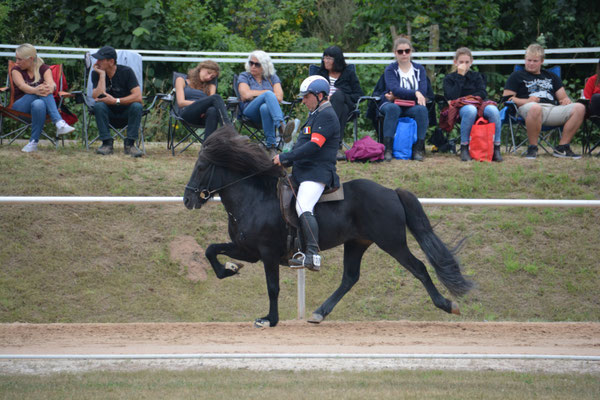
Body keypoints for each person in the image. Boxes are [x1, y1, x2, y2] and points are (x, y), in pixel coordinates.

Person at [273, 76, 340, 271]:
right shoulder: (316, 113)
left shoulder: (326, 115)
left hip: (317, 173)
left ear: (319, 95)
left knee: (303, 206)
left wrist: (286, 158)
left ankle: (312, 255)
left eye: (306, 97)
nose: (303, 101)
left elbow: (314, 145)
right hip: (304, 171)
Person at [502, 43, 585, 159]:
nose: (531, 64)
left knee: (580, 108)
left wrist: (565, 100)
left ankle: (562, 148)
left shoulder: (551, 76)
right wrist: (528, 101)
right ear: (525, 59)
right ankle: (532, 148)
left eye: (535, 61)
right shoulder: (516, 76)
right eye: (528, 60)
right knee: (535, 108)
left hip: (551, 110)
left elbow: (562, 98)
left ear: (542, 61)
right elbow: (507, 99)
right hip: (528, 108)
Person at [10, 43, 75, 153]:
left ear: (30, 59)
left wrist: (50, 87)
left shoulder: (44, 68)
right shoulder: (16, 70)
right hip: (20, 108)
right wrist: (37, 90)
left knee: (39, 103)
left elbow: (52, 84)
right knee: (43, 91)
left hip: (39, 110)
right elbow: (22, 86)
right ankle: (58, 121)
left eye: (20, 59)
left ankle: (33, 143)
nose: (16, 62)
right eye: (16, 59)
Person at [443, 47, 503, 162]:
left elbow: (482, 92)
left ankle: (496, 147)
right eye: (461, 62)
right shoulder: (449, 78)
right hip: (461, 108)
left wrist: (469, 97)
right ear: (455, 62)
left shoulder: (476, 76)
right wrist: (460, 77)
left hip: (478, 104)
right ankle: (465, 147)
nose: (464, 65)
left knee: (493, 110)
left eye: (466, 62)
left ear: (471, 62)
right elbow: (452, 96)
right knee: (470, 110)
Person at [379, 37, 429, 162]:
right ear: (395, 53)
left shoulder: (419, 69)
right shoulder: (390, 69)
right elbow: (394, 89)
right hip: (390, 102)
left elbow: (423, 91)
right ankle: (388, 149)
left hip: (411, 106)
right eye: (400, 51)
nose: (404, 54)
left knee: (422, 110)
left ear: (411, 51)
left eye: (407, 50)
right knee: (393, 108)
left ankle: (418, 149)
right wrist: (415, 93)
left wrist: (402, 95)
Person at [238, 50, 294, 157]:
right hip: (250, 112)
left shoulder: (272, 77)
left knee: (265, 108)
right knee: (268, 94)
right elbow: (245, 94)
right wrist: (266, 94)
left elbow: (279, 97)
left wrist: (255, 94)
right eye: (251, 63)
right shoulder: (244, 76)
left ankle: (272, 146)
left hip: (268, 115)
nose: (253, 66)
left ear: (264, 66)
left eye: (257, 64)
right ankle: (281, 127)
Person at [311, 45, 364, 159]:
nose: (325, 61)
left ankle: (328, 142)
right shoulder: (319, 74)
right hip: (322, 107)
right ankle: (335, 145)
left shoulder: (348, 73)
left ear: (337, 60)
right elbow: (311, 93)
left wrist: (339, 96)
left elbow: (358, 94)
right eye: (324, 57)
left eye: (329, 58)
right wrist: (326, 99)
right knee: (343, 109)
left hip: (344, 103)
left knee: (339, 97)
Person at [91, 46, 143, 157]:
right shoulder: (96, 73)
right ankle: (106, 144)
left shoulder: (126, 72)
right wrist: (102, 75)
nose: (97, 62)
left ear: (111, 61)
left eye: (101, 59)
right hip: (107, 113)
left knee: (137, 106)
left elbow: (138, 96)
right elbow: (96, 96)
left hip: (126, 113)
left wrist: (116, 101)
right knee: (99, 105)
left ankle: (130, 144)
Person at [174, 60, 231, 137]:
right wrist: (200, 104)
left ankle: (207, 147)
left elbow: (212, 103)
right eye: (208, 72)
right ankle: (230, 131)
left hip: (203, 117)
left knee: (213, 111)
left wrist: (204, 106)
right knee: (216, 98)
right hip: (187, 113)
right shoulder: (181, 80)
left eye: (212, 77)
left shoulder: (210, 85)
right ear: (201, 68)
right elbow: (181, 103)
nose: (208, 77)